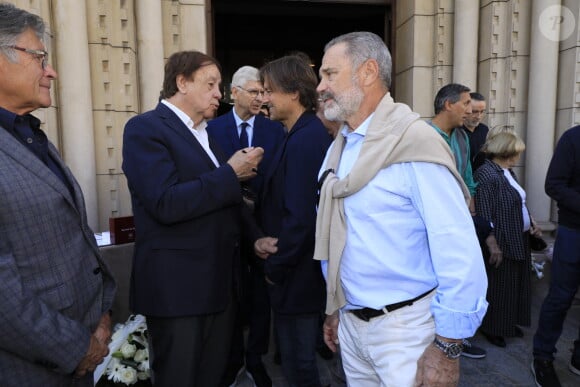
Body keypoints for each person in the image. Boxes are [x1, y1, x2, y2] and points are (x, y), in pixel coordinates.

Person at [314, 31, 488, 387]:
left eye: (329, 74)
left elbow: (459, 251)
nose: (320, 86)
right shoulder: (341, 148)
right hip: (352, 326)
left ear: (368, 72)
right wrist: (338, 307)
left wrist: (448, 346)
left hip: (406, 334)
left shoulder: (415, 144)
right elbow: (347, 238)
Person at [122, 50, 270, 387]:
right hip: (179, 292)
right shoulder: (145, 129)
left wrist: (254, 237)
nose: (220, 94)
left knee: (214, 378)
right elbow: (165, 202)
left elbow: (224, 200)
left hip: (219, 287)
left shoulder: (207, 135)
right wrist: (231, 172)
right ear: (182, 82)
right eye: (211, 84)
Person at [0, 3, 116, 386]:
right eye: (39, 57)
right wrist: (74, 347)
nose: (51, 70)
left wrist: (98, 315)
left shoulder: (28, 134)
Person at [254, 55, 332, 387]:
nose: (263, 99)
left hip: (297, 275)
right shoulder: (293, 133)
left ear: (295, 94)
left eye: (269, 90)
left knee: (300, 365)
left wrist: (276, 269)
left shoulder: (307, 139)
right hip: (292, 271)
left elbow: (302, 218)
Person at [207, 65, 285, 387]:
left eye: (262, 92)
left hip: (263, 228)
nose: (259, 98)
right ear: (234, 92)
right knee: (230, 298)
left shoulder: (274, 131)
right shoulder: (211, 129)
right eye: (253, 91)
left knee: (260, 298)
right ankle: (233, 359)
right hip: (226, 228)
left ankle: (255, 359)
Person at [430, 83, 497, 359]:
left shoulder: (461, 137)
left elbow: (468, 179)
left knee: (455, 279)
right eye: (467, 104)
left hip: (457, 222)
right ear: (448, 104)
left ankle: (454, 338)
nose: (471, 111)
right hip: (430, 225)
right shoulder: (422, 135)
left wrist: (468, 218)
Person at [474, 131, 540, 348]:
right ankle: (493, 327)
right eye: (516, 153)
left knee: (516, 282)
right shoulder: (486, 174)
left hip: (518, 235)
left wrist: (530, 221)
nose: (518, 157)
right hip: (501, 237)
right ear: (505, 152)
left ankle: (509, 323)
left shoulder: (508, 172)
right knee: (500, 285)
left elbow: (519, 200)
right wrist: (492, 242)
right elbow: (484, 211)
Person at [531, 125, 580, 387]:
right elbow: (554, 184)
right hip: (574, 233)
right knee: (560, 298)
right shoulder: (573, 138)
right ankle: (542, 357)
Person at [463, 92, 489, 172]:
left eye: (482, 112)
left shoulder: (484, 130)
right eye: (474, 112)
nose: (479, 116)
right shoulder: (455, 132)